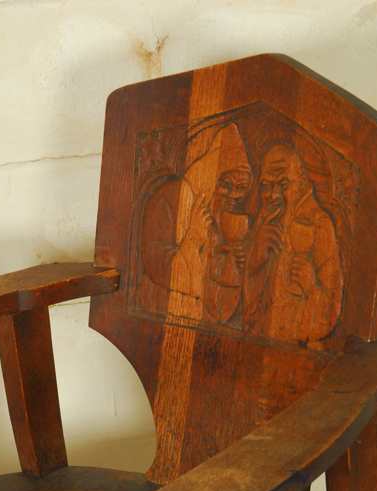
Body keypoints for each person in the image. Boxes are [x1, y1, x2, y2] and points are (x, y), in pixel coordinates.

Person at [139, 123, 253, 327]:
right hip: (161, 319)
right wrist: (193, 238)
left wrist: (230, 265)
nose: (234, 196)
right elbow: (157, 269)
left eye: (241, 188)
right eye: (226, 184)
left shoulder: (224, 220)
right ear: (210, 176)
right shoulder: (168, 199)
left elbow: (221, 307)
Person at [243, 143, 343, 344]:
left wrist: (310, 285)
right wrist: (255, 260)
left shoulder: (319, 224)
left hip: (295, 355)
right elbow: (240, 305)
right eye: (266, 185)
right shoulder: (264, 220)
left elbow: (331, 310)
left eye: (283, 185)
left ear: (303, 181)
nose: (273, 195)